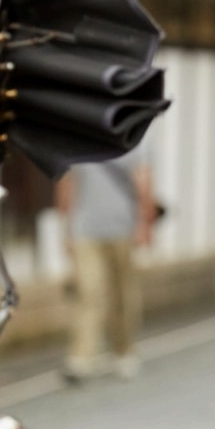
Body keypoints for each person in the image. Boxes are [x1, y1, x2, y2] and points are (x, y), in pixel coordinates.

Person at [55, 147, 156, 381]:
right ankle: (82, 357)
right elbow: (68, 184)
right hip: (85, 229)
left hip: (123, 227)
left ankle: (124, 350)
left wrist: (144, 224)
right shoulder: (79, 144)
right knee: (88, 292)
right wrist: (67, 229)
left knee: (123, 294)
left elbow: (143, 182)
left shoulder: (133, 143)